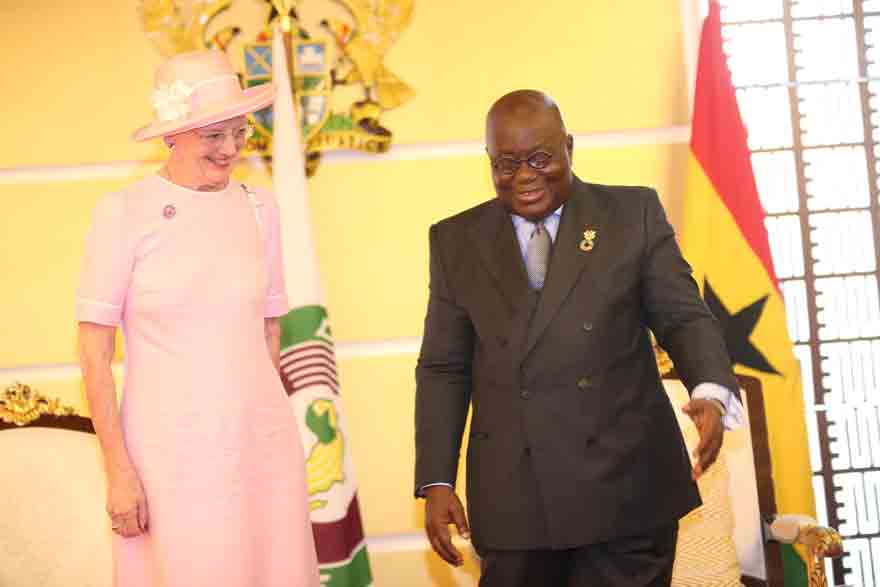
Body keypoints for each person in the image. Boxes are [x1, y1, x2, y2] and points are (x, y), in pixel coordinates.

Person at [414, 90, 743, 587]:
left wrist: (710, 391)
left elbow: (683, 317)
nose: (524, 176)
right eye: (505, 164)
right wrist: (437, 479)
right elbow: (444, 367)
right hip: (515, 503)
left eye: (540, 158)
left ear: (569, 146)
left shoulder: (632, 214)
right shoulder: (456, 240)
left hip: (626, 490)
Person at [76, 50, 320, 586]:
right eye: (214, 135)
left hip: (260, 447)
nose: (231, 148)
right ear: (173, 134)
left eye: (239, 132)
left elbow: (269, 330)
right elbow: (93, 359)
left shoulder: (262, 209)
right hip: (169, 455)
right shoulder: (122, 212)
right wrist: (119, 471)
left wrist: (258, 422)